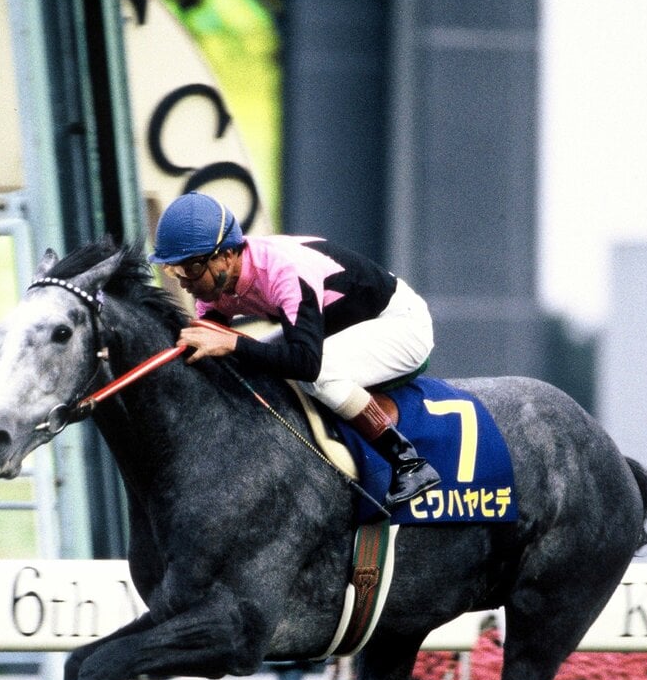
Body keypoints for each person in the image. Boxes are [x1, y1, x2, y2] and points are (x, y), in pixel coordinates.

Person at [150, 191, 441, 508]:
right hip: (337, 327)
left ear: (227, 255)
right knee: (245, 359)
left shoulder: (284, 271)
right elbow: (211, 353)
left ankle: (408, 462)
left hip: (400, 326)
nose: (183, 282)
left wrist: (232, 343)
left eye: (190, 268)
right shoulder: (213, 285)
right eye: (173, 270)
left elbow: (305, 363)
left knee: (319, 375)